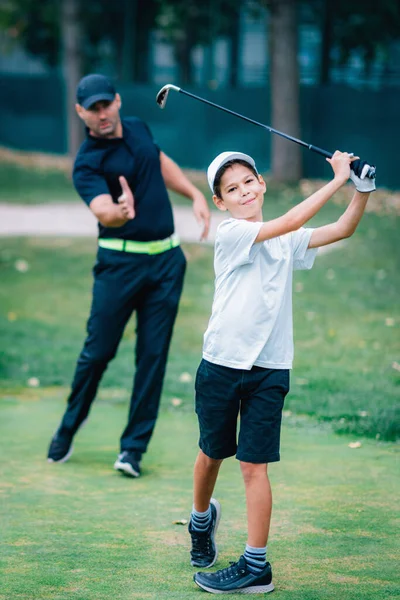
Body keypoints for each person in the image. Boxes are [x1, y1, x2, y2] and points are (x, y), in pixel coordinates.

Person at [187, 149, 375, 594]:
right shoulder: (232, 233)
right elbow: (290, 221)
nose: (244, 192)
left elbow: (342, 228)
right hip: (221, 364)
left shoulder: (286, 239)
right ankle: (200, 520)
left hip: (270, 368)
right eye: (231, 189)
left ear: (262, 183)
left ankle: (256, 565)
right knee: (212, 453)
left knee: (255, 467)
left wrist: (361, 190)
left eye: (248, 182)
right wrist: (336, 180)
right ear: (221, 203)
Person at [47, 73, 210, 478]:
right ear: (80, 112)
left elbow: (158, 160)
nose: (102, 114)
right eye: (93, 108)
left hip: (167, 263)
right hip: (119, 266)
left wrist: (193, 194)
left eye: (107, 104)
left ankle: (132, 450)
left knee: (152, 358)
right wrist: (120, 210)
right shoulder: (87, 162)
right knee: (98, 353)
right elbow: (103, 211)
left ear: (118, 101)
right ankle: (68, 430)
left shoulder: (138, 127)